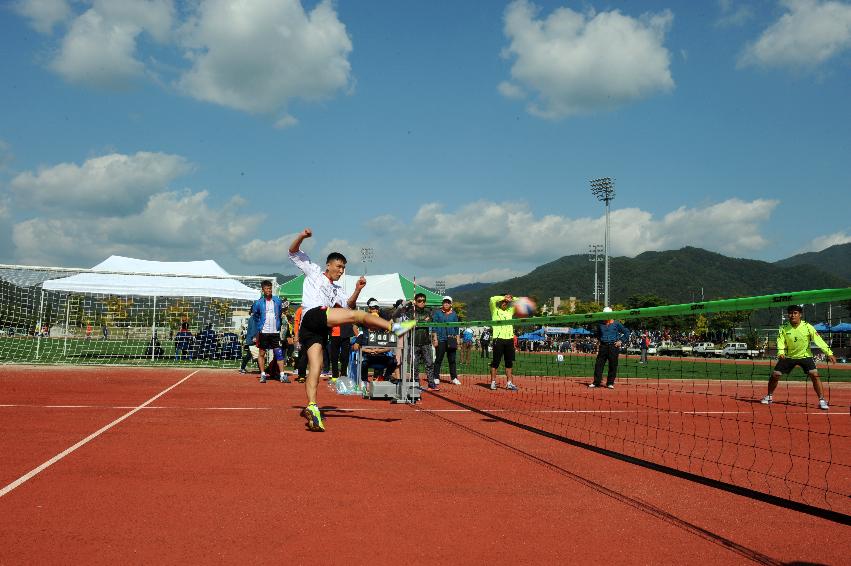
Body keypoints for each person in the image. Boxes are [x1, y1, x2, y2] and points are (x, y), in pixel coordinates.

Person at [289, 228, 414, 431]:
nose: (340, 271)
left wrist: (358, 289)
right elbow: (293, 251)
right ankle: (394, 326)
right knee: (357, 316)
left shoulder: (338, 290)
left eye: (343, 268)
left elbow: (349, 306)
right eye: (338, 266)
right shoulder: (313, 271)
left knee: (316, 367)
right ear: (328, 265)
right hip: (313, 315)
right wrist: (302, 236)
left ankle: (312, 406)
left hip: (316, 331)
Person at [761, 304, 836, 410]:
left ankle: (822, 400)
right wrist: (780, 352)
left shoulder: (808, 326)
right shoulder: (783, 327)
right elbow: (780, 341)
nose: (792, 315)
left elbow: (818, 340)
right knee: (775, 375)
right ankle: (769, 396)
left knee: (814, 375)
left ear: (800, 315)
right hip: (789, 356)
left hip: (805, 356)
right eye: (790, 313)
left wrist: (829, 353)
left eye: (795, 313)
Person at [250, 280, 289, 383]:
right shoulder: (258, 303)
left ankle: (282, 375)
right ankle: (263, 374)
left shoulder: (277, 300)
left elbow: (280, 312)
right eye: (267, 289)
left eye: (270, 288)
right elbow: (255, 315)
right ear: (263, 290)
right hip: (264, 332)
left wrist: (278, 325)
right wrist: (259, 327)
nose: (269, 290)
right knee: (262, 353)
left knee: (279, 353)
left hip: (275, 332)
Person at [589, 307, 630, 389]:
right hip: (603, 346)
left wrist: (620, 341)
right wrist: (599, 340)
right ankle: (596, 382)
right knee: (599, 364)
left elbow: (626, 332)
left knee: (613, 365)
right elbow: (597, 334)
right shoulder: (600, 324)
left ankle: (610, 383)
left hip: (613, 346)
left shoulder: (616, 323)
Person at [402, 292, 437, 390]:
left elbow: (430, 323)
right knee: (414, 364)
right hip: (413, 343)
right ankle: (415, 383)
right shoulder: (410, 312)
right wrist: (422, 321)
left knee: (429, 363)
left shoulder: (428, 312)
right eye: (419, 301)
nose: (422, 302)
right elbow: (408, 324)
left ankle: (431, 383)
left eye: (423, 301)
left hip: (426, 342)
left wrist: (434, 338)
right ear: (415, 302)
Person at [488, 294, 517, 391]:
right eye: (503, 302)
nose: (505, 303)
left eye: (506, 302)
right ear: (500, 302)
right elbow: (492, 299)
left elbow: (519, 302)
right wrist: (503, 298)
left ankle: (509, 383)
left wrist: (511, 298)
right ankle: (493, 382)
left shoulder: (510, 311)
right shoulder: (495, 310)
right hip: (498, 339)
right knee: (495, 362)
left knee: (509, 363)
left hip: (509, 340)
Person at [432, 296, 461, 385]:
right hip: (441, 339)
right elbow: (434, 327)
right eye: (445, 302)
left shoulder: (454, 314)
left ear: (451, 304)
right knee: (439, 359)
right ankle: (436, 377)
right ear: (442, 303)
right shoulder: (437, 313)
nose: (446, 304)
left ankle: (454, 378)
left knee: (452, 360)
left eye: (448, 302)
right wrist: (435, 339)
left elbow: (457, 328)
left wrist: (458, 339)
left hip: (452, 339)